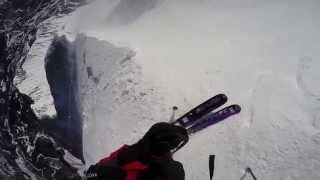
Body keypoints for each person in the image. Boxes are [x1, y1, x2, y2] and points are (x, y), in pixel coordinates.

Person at [85, 122, 189, 180]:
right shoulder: (127, 155)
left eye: (172, 146)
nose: (168, 150)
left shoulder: (171, 169)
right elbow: (92, 172)